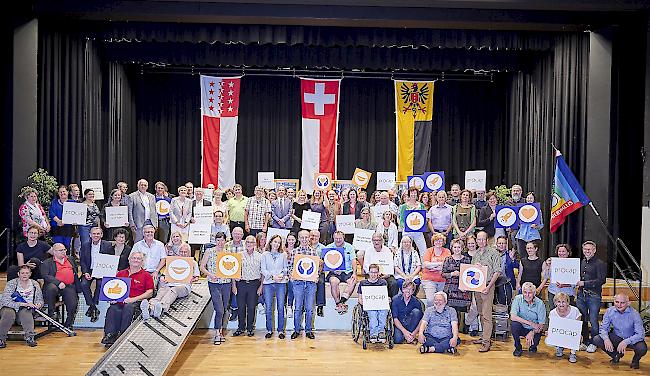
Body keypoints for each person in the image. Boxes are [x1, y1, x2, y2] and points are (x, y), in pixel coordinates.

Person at [101, 251, 154, 346]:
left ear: (142, 262)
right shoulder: (121, 273)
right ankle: (110, 335)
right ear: (129, 260)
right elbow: (113, 288)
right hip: (120, 301)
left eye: (139, 259)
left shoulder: (146, 275)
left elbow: (150, 292)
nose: (136, 260)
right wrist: (112, 298)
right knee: (113, 308)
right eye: (134, 258)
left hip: (135, 302)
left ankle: (123, 334)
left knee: (128, 307)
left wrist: (134, 299)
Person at [141, 243, 199, 320]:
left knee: (173, 290)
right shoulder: (173, 261)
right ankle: (150, 309)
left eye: (185, 252)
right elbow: (165, 275)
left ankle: (161, 307)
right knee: (162, 291)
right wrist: (163, 279)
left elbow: (197, 277)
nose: (183, 253)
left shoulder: (193, 263)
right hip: (170, 284)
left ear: (189, 252)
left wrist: (192, 279)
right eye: (181, 251)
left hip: (183, 286)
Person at [592, 293, 647, 369]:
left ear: (628, 303)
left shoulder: (634, 314)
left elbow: (640, 334)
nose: (619, 305)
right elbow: (603, 329)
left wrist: (626, 341)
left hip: (631, 339)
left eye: (622, 303)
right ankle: (615, 355)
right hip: (617, 337)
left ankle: (635, 360)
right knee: (597, 339)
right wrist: (606, 339)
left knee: (642, 348)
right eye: (617, 302)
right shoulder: (609, 311)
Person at [471, 231, 501, 352]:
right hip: (478, 287)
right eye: (479, 239)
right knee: (481, 313)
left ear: (487, 240)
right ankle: (484, 336)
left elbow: (497, 272)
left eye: (483, 239)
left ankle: (486, 342)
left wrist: (488, 287)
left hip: (488, 286)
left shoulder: (494, 253)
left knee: (487, 315)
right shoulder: (476, 254)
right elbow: (472, 271)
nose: (481, 241)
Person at [200, 232, 233, 344]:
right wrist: (210, 275)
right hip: (214, 284)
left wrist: (234, 284)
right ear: (215, 241)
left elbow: (232, 269)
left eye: (222, 240)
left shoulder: (228, 253)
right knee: (219, 309)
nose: (220, 242)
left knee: (224, 308)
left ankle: (220, 332)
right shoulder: (209, 251)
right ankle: (217, 334)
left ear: (225, 241)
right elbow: (202, 266)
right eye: (218, 240)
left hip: (226, 283)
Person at [0, 265, 44, 348]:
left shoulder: (35, 284)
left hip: (27, 309)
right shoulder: (11, 283)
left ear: (30, 274)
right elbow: (5, 301)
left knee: (25, 312)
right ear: (18, 274)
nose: (24, 275)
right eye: (22, 273)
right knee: (8, 313)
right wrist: (23, 304)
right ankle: (1, 339)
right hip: (10, 307)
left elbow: (40, 300)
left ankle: (30, 338)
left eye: (27, 273)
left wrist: (39, 305)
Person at [576, 240, 607, 353]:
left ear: (594, 250)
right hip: (581, 295)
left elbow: (601, 280)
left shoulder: (600, 263)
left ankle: (594, 342)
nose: (587, 251)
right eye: (585, 249)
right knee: (582, 319)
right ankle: (585, 341)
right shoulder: (582, 262)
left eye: (589, 249)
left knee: (593, 320)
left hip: (594, 296)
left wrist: (585, 284)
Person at [79, 227, 115, 322]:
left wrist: (103, 273)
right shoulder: (85, 245)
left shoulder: (107, 245)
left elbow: (111, 260)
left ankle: (92, 306)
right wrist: (85, 272)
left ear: (101, 235)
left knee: (100, 284)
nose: (96, 235)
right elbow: (82, 261)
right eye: (94, 234)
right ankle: (93, 306)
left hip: (102, 270)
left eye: (98, 234)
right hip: (89, 270)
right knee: (83, 284)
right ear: (90, 235)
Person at [40, 243, 80, 329]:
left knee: (73, 303)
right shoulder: (47, 262)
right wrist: (58, 283)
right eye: (60, 250)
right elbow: (45, 276)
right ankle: (52, 313)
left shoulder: (70, 259)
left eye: (64, 250)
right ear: (54, 252)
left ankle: (68, 324)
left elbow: (75, 271)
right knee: (51, 288)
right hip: (54, 285)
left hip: (68, 285)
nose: (63, 252)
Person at [291, 230, 318, 339]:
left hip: (311, 284)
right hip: (298, 283)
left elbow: (316, 269)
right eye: (302, 237)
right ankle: (296, 330)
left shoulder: (314, 252)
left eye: (306, 237)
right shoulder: (294, 252)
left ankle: (308, 330)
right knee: (297, 308)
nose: (304, 239)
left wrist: (316, 276)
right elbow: (290, 267)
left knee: (309, 309)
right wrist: (291, 275)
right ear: (298, 238)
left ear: (309, 239)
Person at [232, 235, 263, 337]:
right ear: (245, 244)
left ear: (255, 244)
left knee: (251, 307)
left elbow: (262, 273)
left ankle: (250, 328)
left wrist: (261, 286)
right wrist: (234, 286)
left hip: (254, 284)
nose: (249, 244)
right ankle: (241, 328)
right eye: (248, 242)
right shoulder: (238, 255)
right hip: (241, 284)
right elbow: (233, 271)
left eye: (251, 242)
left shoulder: (260, 256)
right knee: (241, 307)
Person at [261, 235, 288, 339]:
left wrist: (281, 275)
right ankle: (269, 329)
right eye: (275, 242)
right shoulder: (264, 254)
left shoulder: (283, 254)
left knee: (280, 307)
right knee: (268, 307)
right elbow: (263, 269)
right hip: (268, 283)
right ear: (271, 242)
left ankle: (281, 330)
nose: (276, 244)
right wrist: (272, 276)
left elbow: (285, 269)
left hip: (281, 283)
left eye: (278, 242)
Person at [441, 238, 472, 328]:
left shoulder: (466, 259)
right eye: (455, 247)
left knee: (461, 311)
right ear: (452, 248)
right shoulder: (448, 259)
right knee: (451, 310)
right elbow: (443, 274)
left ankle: (461, 328)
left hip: (463, 288)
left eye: (459, 247)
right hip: (450, 288)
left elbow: (470, 274)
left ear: (462, 248)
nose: (457, 249)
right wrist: (451, 274)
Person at [325, 231, 357, 314]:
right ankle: (338, 303)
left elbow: (353, 260)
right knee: (333, 281)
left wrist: (354, 273)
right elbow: (326, 262)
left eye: (340, 238)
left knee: (352, 281)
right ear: (333, 238)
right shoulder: (329, 247)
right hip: (334, 272)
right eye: (336, 238)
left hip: (347, 271)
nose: (338, 240)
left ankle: (342, 301)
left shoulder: (349, 247)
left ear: (344, 238)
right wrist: (333, 269)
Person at [510, 282, 546, 357]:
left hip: (534, 329)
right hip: (522, 327)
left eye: (530, 293)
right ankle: (518, 347)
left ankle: (533, 346)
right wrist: (530, 323)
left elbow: (541, 325)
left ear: (534, 293)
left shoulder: (540, 303)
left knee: (533, 345)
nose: (527, 295)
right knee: (514, 324)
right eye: (525, 292)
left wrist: (532, 332)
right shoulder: (517, 299)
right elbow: (513, 317)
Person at [358, 263, 389, 343]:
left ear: (378, 273)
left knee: (383, 312)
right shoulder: (363, 283)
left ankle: (381, 332)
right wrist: (365, 304)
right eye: (372, 272)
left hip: (380, 305)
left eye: (375, 272)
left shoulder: (383, 282)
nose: (373, 274)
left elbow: (385, 296)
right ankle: (374, 333)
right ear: (368, 272)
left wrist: (387, 299)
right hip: (369, 306)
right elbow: (360, 298)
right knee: (373, 315)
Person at [362, 232, 399, 298]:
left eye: (378, 240)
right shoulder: (368, 250)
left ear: (382, 241)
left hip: (385, 274)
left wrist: (387, 274)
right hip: (371, 274)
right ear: (372, 241)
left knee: (394, 284)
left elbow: (390, 264)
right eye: (375, 240)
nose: (377, 242)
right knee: (377, 282)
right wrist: (374, 274)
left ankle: (392, 302)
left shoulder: (387, 250)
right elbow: (366, 266)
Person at [541, 243, 576, 310]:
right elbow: (545, 276)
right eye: (559, 251)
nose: (561, 253)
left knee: (567, 315)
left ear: (568, 253)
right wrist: (548, 266)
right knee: (553, 313)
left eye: (563, 251)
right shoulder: (553, 262)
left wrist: (564, 285)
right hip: (553, 292)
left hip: (568, 294)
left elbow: (574, 282)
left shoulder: (573, 264)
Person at [549, 292, 581, 363]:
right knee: (548, 340)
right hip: (560, 333)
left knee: (578, 337)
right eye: (559, 302)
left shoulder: (575, 311)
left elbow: (578, 328)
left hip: (571, 334)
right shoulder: (552, 313)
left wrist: (579, 335)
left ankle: (573, 353)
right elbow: (552, 327)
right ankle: (559, 347)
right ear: (555, 303)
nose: (561, 304)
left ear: (567, 302)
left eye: (563, 302)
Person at [422, 233, 451, 307]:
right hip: (429, 280)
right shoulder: (429, 251)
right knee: (430, 300)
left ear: (443, 242)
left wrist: (432, 266)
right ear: (433, 242)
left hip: (443, 280)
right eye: (436, 240)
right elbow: (426, 265)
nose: (438, 242)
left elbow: (447, 266)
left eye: (441, 241)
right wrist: (440, 264)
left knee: (443, 301)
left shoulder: (447, 251)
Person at [399, 187, 427, 258]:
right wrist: (406, 226)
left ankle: (424, 267)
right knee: (405, 249)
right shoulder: (404, 206)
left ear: (417, 194)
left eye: (415, 192)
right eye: (411, 193)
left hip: (418, 231)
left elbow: (423, 218)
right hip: (407, 231)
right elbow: (401, 220)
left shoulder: (421, 205)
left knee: (423, 249)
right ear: (409, 194)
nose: (413, 194)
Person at [514, 192, 543, 258]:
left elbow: (541, 225)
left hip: (533, 236)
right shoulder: (520, 209)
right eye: (528, 198)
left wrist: (536, 226)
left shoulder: (538, 210)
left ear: (534, 199)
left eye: (531, 198)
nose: (529, 199)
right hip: (521, 236)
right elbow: (516, 222)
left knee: (534, 256)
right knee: (522, 256)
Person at [49, 185, 74, 249]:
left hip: (68, 228)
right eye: (60, 192)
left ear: (67, 192)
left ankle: (66, 259)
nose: (62, 193)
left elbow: (75, 215)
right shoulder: (54, 202)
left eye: (64, 191)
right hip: (57, 227)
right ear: (58, 193)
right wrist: (58, 221)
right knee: (58, 245)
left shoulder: (73, 202)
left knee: (67, 246)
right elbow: (51, 213)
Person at [494, 235, 517, 306]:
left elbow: (517, 266)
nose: (501, 245)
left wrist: (512, 259)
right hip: (493, 281)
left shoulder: (509, 255)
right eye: (500, 243)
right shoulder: (492, 254)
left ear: (506, 244)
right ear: (496, 244)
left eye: (503, 243)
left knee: (506, 302)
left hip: (507, 281)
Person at [284, 233, 298, 318]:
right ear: (286, 240)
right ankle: (283, 307)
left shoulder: (297, 251)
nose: (291, 241)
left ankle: (289, 306)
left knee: (291, 282)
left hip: (292, 273)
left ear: (295, 240)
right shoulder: (282, 250)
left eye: (293, 239)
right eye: (289, 239)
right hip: (282, 272)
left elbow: (295, 265)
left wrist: (291, 274)